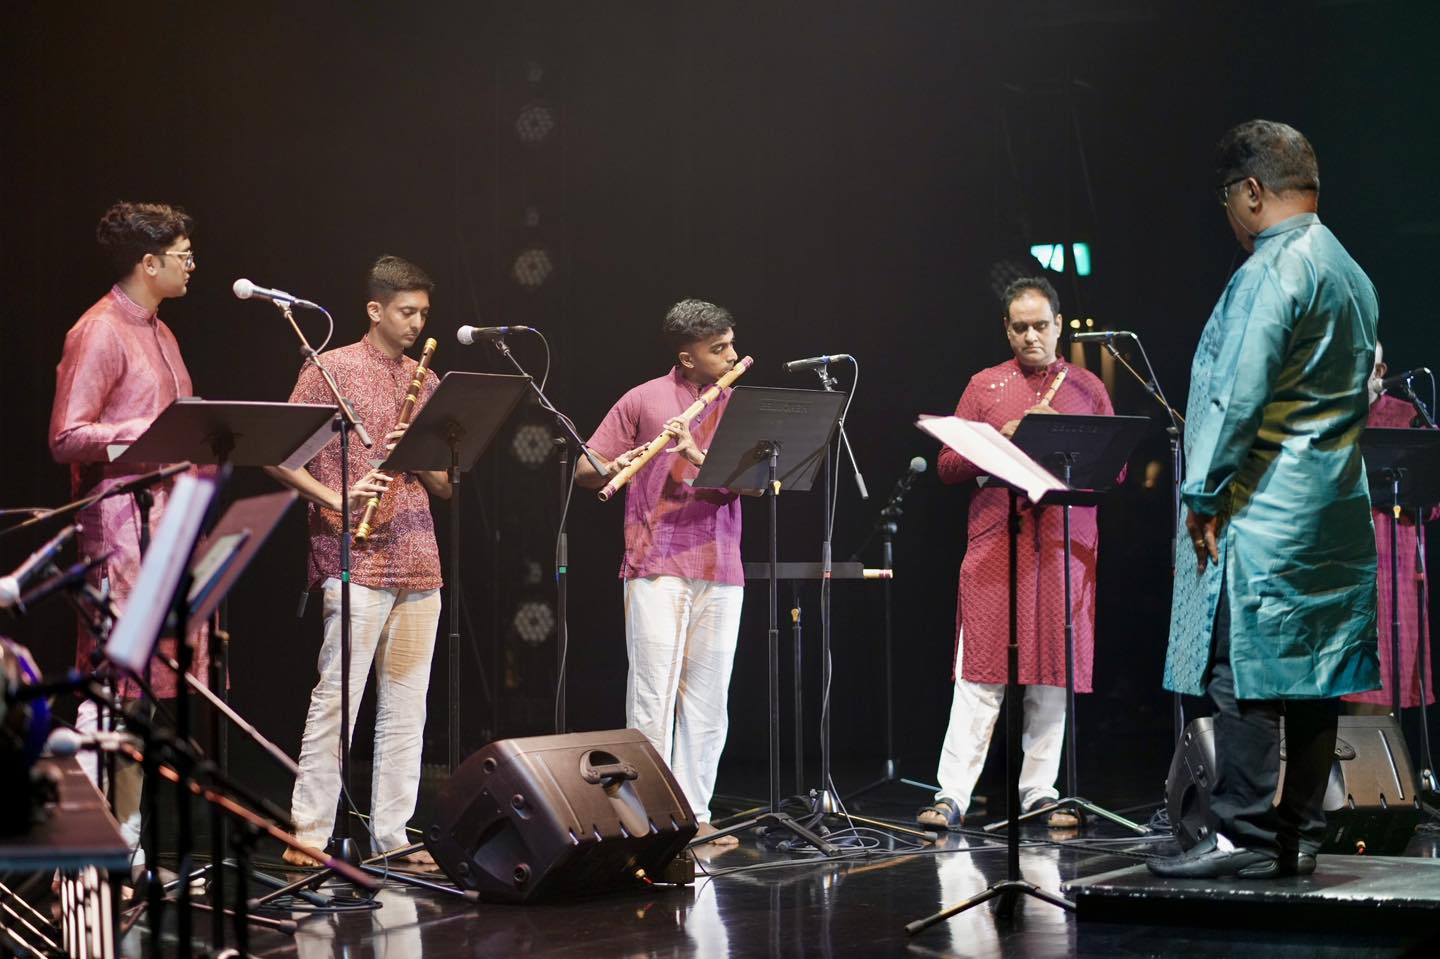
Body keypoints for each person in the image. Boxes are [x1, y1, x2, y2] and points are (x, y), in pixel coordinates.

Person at [1151, 120, 1380, 880]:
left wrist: (1204, 492)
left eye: (1228, 200)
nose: (1229, 217)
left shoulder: (1268, 272)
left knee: (1238, 671)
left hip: (1265, 513)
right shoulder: (1351, 272)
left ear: (1252, 191)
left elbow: (1234, 396)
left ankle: (1238, 834)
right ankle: (1297, 835)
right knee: (1314, 676)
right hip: (1334, 510)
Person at [265, 255, 451, 867]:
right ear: (375, 310)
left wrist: (420, 448)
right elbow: (279, 456)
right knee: (338, 696)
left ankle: (393, 837)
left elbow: (447, 485)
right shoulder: (331, 369)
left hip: (420, 556)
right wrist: (336, 500)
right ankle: (309, 831)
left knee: (408, 704)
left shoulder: (428, 380)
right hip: (355, 556)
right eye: (406, 312)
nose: (417, 325)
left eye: (423, 313)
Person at [918, 275, 1115, 831]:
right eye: (1020, 327)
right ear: (1007, 329)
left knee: (1051, 673)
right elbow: (948, 467)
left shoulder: (1086, 388)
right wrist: (996, 439)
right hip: (996, 541)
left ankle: (1039, 793)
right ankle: (951, 794)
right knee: (980, 672)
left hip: (1061, 542)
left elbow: (1115, 468)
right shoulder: (985, 385)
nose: (1031, 336)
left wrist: (1065, 442)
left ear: (1058, 326)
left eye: (1040, 326)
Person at [49, 201, 203, 868]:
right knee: (115, 683)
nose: (192, 261)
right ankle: (87, 837)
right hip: (120, 525)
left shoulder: (163, 334)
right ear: (149, 262)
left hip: (168, 522)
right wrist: (143, 435)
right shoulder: (100, 329)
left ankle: (130, 841)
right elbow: (65, 436)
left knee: (146, 695)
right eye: (183, 251)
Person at [575, 299, 743, 846]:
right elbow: (585, 467)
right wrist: (617, 463)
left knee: (709, 699)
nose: (732, 356)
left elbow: (760, 482)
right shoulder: (643, 398)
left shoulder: (739, 405)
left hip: (721, 565)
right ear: (687, 358)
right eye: (718, 350)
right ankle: (649, 818)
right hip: (655, 561)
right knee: (652, 694)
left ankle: (695, 813)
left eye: (731, 344)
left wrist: (695, 453)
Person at [1344, 343, 1436, 715]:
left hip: (1388, 575)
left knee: (1376, 710)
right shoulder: (1322, 420)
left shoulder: (1407, 417)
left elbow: (1433, 495)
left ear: (1379, 372)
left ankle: (1375, 775)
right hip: (1332, 577)